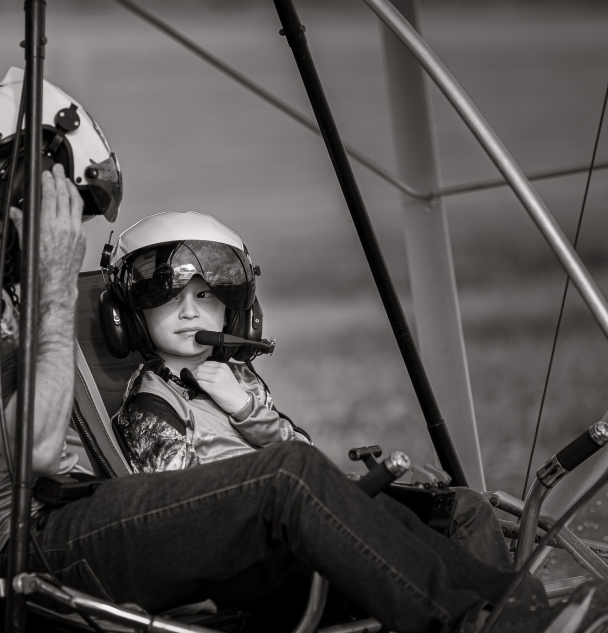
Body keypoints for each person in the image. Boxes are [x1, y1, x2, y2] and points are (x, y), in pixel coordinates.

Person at [0, 69, 608, 633]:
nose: (60, 231)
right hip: (26, 558)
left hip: (47, 531)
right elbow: (35, 447)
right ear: (14, 178)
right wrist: (49, 277)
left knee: (356, 496)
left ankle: (527, 609)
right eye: (59, 207)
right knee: (286, 478)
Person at [107, 211, 511, 569]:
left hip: (311, 508)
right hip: (268, 544)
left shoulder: (241, 380)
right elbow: (186, 511)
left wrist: (246, 409)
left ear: (234, 313)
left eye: (204, 295)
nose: (190, 312)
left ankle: (506, 619)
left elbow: (305, 457)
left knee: (464, 508)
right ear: (131, 317)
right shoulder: (150, 405)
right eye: (169, 298)